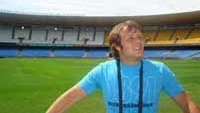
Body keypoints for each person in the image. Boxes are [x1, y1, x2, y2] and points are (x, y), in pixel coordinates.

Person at [46, 20, 199, 113]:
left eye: (140, 37)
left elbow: (186, 101)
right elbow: (70, 96)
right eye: (131, 38)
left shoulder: (160, 70)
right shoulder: (103, 71)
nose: (139, 42)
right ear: (117, 46)